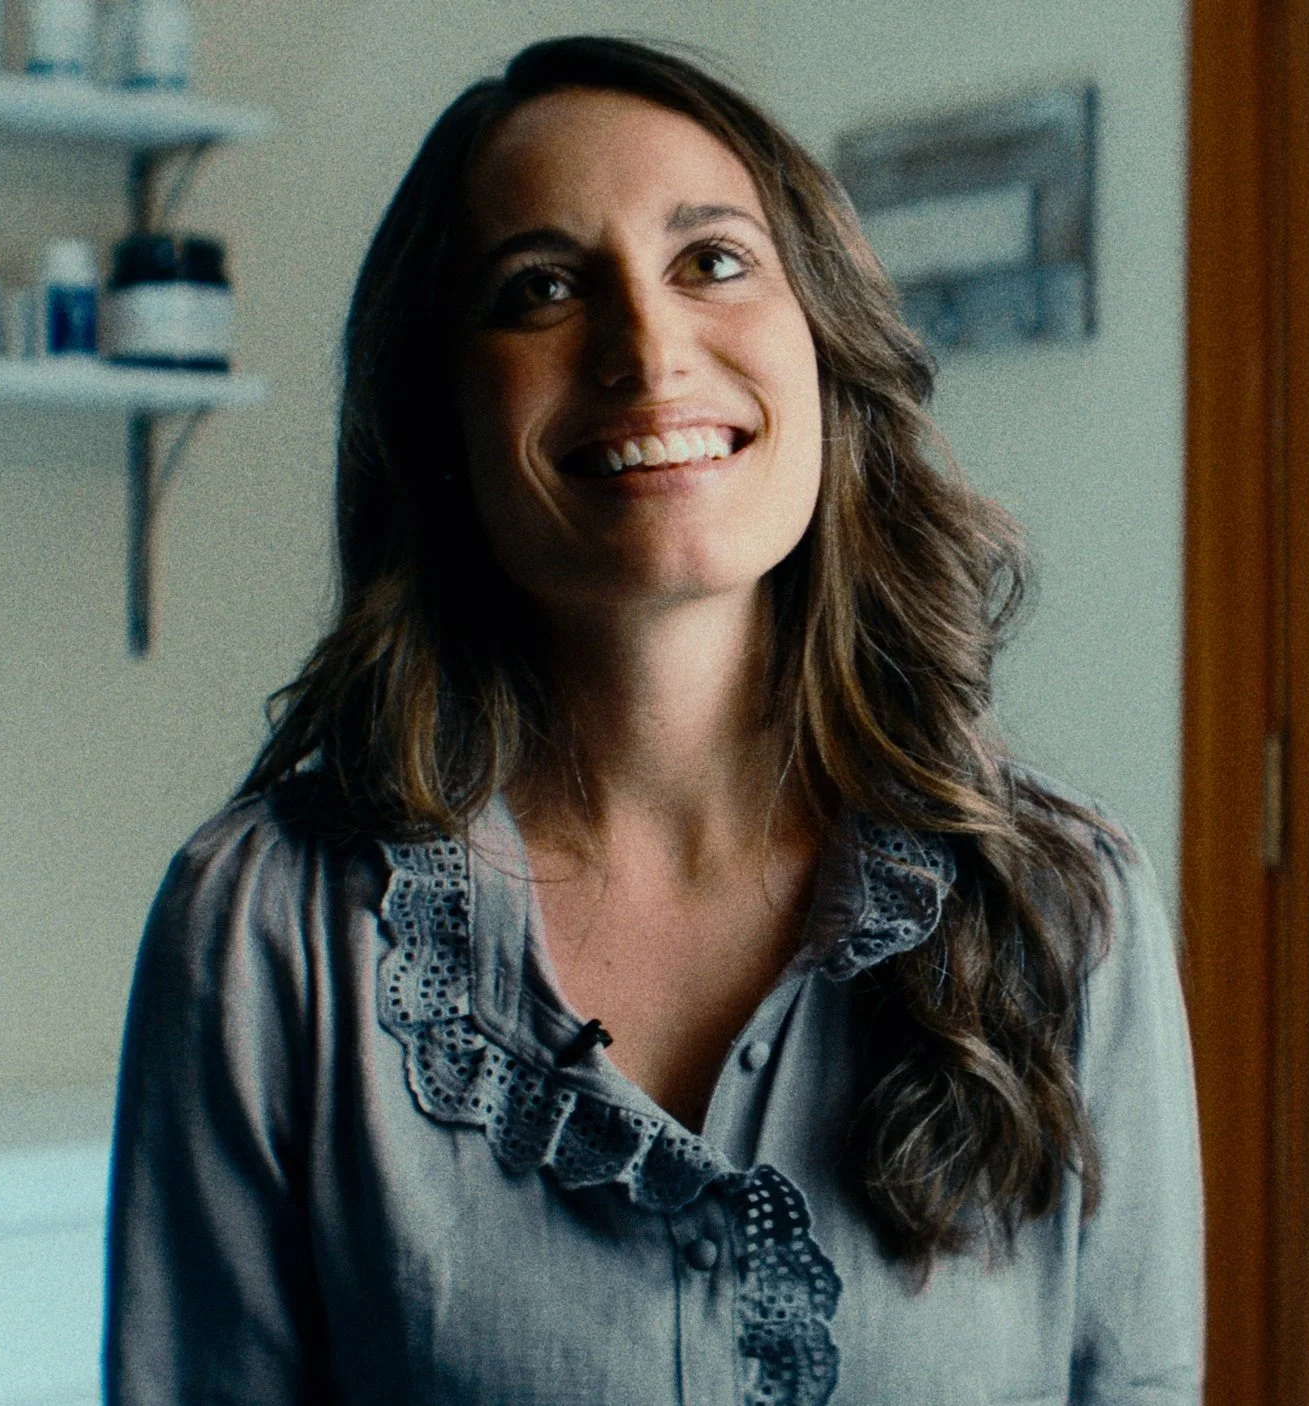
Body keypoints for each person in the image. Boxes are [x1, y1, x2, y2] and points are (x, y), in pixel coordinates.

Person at [104, 35, 1202, 1405]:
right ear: (442, 415)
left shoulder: (1064, 907)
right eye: (543, 287)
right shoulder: (271, 930)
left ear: (823, 342)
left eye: (713, 260)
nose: (646, 345)